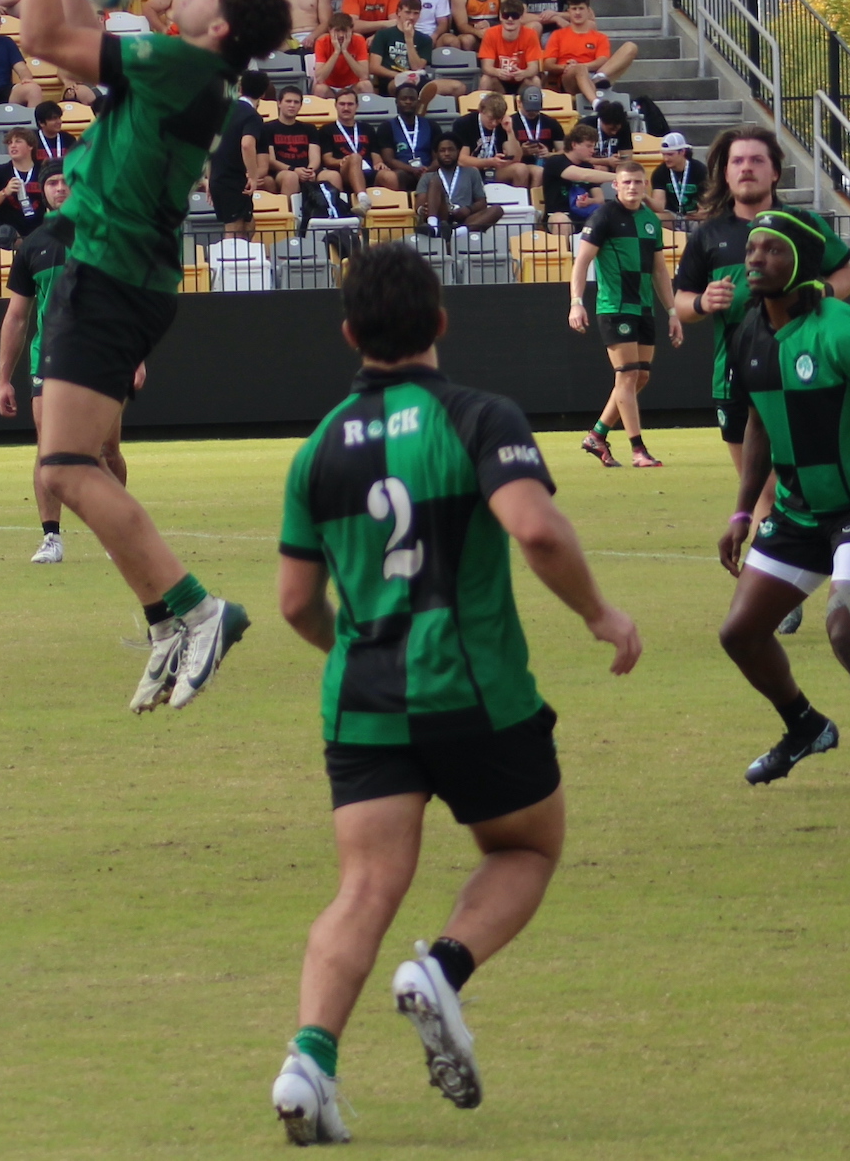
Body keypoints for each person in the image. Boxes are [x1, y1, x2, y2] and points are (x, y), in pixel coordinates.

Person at [267, 240, 641, 1142]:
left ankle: (308, 1063)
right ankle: (440, 968)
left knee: (362, 886)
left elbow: (294, 602)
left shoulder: (316, 448)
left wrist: (354, 646)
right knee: (526, 849)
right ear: (440, 320)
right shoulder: (478, 415)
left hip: (363, 699)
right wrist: (599, 613)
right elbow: (535, 530)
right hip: (473, 689)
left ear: (350, 332)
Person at [17, 0, 292, 711]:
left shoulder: (181, 66)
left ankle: (200, 607)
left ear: (218, 28)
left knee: (63, 466)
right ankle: (167, 618)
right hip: (124, 276)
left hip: (108, 274)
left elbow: (40, 39)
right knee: (84, 466)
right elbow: (84, 38)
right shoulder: (187, 72)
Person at [715, 211, 850, 806]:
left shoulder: (842, 328)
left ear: (802, 265)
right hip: (795, 514)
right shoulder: (748, 332)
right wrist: (742, 512)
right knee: (740, 634)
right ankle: (805, 726)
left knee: (846, 631)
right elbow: (760, 420)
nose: (754, 259)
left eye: (771, 250)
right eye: (751, 249)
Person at [668, 126, 850, 542]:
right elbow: (680, 301)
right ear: (726, 173)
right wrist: (702, 303)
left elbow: (846, 276)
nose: (746, 168)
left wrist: (818, 293)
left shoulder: (802, 226)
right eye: (737, 161)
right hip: (737, 378)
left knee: (797, 487)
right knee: (763, 491)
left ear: (775, 172)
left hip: (802, 371)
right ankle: (778, 591)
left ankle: (789, 577)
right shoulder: (709, 235)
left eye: (756, 160)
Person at [0, 176, 143, 565]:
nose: (61, 188)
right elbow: (17, 317)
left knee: (107, 450)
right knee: (49, 449)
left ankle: (115, 532)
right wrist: (3, 379)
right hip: (51, 359)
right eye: (54, 183)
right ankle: (51, 538)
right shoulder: (33, 246)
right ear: (44, 191)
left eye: (68, 182)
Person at [569, 161, 680, 468]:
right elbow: (581, 262)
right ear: (615, 186)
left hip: (644, 308)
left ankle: (597, 434)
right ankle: (638, 449)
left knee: (640, 375)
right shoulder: (603, 216)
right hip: (615, 308)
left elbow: (659, 269)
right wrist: (576, 302)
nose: (632, 187)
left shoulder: (650, 220)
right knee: (628, 375)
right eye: (626, 182)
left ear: (645, 186)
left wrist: (672, 312)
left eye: (638, 182)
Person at [541, 0, 637, 104]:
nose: (577, 12)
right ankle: (597, 103)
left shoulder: (599, 37)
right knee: (578, 69)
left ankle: (599, 78)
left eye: (581, 8)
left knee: (631, 47)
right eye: (574, 8)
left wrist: (584, 66)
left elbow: (602, 60)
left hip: (595, 74)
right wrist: (568, 67)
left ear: (588, 11)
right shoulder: (558, 35)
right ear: (569, 12)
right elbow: (548, 65)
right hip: (569, 78)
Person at [210, 70, 269, 237]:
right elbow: (247, 144)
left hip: (219, 178)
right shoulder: (252, 116)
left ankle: (244, 261)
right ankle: (230, 263)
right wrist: (252, 175)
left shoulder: (223, 110)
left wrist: (210, 177)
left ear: (240, 88)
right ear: (263, 93)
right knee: (234, 231)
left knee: (249, 225)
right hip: (232, 181)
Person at [449, 91, 537, 191]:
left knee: (521, 169)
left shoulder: (505, 124)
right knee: (471, 171)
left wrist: (510, 132)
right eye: (490, 118)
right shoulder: (464, 123)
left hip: (496, 170)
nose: (494, 123)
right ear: (481, 110)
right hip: (473, 169)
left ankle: (517, 203)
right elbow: (461, 160)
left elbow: (516, 158)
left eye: (498, 119)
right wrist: (489, 162)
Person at [414, 133, 499, 237]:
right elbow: (419, 206)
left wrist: (468, 209)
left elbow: (482, 203)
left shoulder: (472, 172)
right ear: (436, 154)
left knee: (497, 210)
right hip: (441, 216)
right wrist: (422, 209)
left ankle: (454, 233)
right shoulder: (427, 177)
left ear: (458, 151)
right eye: (442, 150)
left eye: (451, 150)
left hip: (464, 219)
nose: (447, 153)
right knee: (435, 181)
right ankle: (433, 228)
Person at [0, 126, 54, 244]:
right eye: (9, 143)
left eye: (18, 141)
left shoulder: (44, 170)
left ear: (30, 146)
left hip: (40, 230)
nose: (12, 146)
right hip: (9, 234)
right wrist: (4, 192)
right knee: (5, 233)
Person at [539, 123, 612, 235]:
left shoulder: (587, 166)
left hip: (584, 215)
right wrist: (620, 176)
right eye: (588, 146)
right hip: (558, 214)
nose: (592, 150)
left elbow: (600, 199)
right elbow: (583, 175)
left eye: (593, 146)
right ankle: (565, 252)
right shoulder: (555, 162)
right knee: (561, 221)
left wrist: (589, 201)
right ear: (574, 144)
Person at [371, 81, 436, 191]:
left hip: (427, 171)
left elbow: (437, 157)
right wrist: (412, 169)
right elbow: (389, 160)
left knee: (436, 177)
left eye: (412, 99)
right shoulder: (386, 127)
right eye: (404, 98)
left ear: (418, 102)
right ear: (396, 102)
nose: (408, 102)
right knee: (398, 175)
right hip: (403, 172)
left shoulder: (431, 125)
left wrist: (428, 170)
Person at [260, 86, 320, 198]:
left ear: (300, 106)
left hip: (305, 170)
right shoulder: (267, 128)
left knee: (332, 175)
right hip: (281, 172)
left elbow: (315, 156)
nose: (292, 105)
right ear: (279, 103)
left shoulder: (309, 128)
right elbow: (271, 161)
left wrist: (310, 171)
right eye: (288, 101)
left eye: (296, 102)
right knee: (291, 176)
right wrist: (294, 170)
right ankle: (289, 214)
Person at [473, 0, 539, 92]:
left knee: (535, 81)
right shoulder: (490, 33)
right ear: (500, 16)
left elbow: (533, 68)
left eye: (514, 16)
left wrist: (524, 73)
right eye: (506, 15)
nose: (510, 19)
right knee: (485, 80)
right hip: (499, 80)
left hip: (521, 80)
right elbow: (486, 67)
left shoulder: (531, 34)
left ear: (521, 18)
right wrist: (498, 72)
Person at [317, 88, 374, 192]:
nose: (346, 108)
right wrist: (347, 161)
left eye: (350, 104)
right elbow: (328, 160)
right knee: (355, 158)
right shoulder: (326, 130)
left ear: (357, 106)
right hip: (342, 171)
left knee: (389, 176)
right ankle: (362, 197)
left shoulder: (367, 128)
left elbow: (376, 155)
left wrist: (379, 163)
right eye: (342, 104)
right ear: (335, 105)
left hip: (368, 170)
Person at [310, 12, 379, 97]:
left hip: (352, 87)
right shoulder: (322, 41)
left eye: (344, 30)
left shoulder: (359, 40)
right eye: (337, 30)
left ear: (351, 29)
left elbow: (364, 75)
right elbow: (320, 78)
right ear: (329, 30)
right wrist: (336, 52)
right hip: (330, 88)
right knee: (319, 89)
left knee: (366, 85)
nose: (341, 35)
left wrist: (345, 51)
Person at [648, 131, 700, 227]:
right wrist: (645, 197)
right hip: (672, 216)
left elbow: (708, 203)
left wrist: (703, 212)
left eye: (670, 155)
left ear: (682, 152)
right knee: (652, 218)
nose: (666, 159)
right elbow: (659, 206)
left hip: (695, 216)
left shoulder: (700, 170)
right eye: (664, 155)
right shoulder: (660, 172)